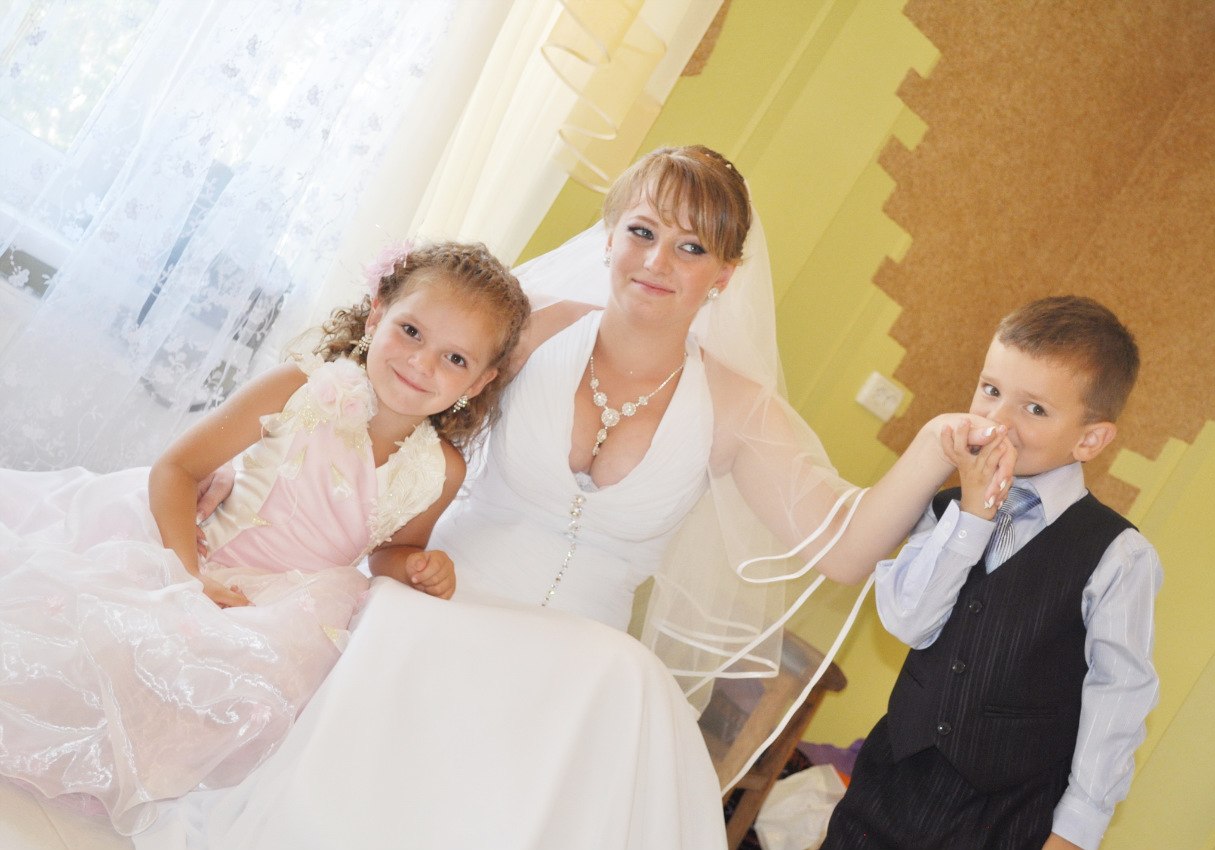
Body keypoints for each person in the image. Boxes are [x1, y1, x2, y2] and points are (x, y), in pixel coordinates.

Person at [143, 145, 1014, 850]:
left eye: (691, 248)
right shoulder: (530, 329)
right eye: (642, 231)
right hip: (441, 599)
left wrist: (934, 450)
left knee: (623, 681)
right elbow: (393, 384)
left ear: (725, 274)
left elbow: (846, 549)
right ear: (608, 235)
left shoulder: (740, 412)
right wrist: (257, 469)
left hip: (577, 663)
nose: (657, 261)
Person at [0, 241, 530, 835]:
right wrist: (186, 575)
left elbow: (391, 549)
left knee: (236, 686)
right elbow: (177, 469)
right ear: (376, 314)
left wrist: (416, 566)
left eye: (455, 358)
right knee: (102, 636)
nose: (422, 363)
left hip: (285, 604)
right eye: (411, 331)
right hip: (193, 555)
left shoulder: (440, 469)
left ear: (481, 380)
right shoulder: (299, 388)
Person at [819, 296, 1162, 850]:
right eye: (990, 390)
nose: (998, 420)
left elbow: (1119, 696)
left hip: (1005, 821)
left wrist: (1076, 830)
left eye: (1035, 409)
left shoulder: (1118, 555)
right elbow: (908, 622)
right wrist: (973, 516)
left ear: (1090, 439)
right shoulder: (945, 509)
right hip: (886, 794)